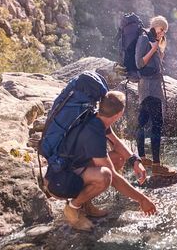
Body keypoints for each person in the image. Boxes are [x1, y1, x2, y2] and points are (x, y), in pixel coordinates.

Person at [61, 91, 156, 231]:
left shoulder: (96, 117)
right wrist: (142, 199)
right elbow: (113, 178)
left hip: (70, 168)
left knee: (118, 157)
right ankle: (72, 209)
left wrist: (134, 160)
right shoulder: (95, 133)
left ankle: (86, 204)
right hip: (62, 179)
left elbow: (116, 143)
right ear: (120, 113)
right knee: (105, 176)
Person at [134, 15, 175, 177]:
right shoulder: (144, 39)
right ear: (154, 26)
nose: (162, 32)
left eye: (164, 31)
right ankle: (157, 165)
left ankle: (142, 158)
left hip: (151, 88)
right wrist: (153, 49)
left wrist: (158, 51)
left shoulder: (153, 41)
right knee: (157, 124)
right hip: (150, 88)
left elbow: (155, 64)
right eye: (161, 29)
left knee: (142, 123)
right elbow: (139, 63)